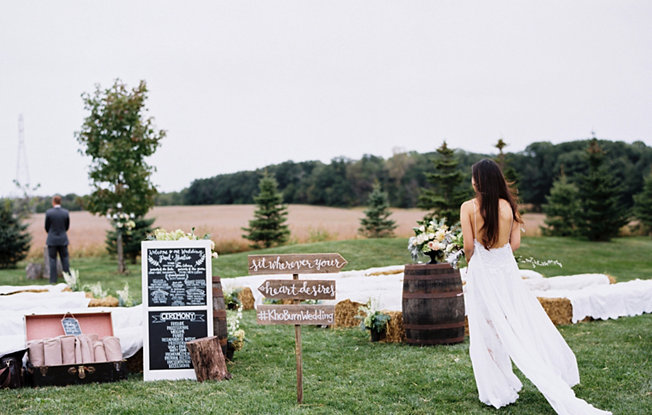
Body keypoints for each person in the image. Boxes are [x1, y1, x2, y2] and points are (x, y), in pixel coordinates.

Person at [459, 159, 610, 415]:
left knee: (486, 326)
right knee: (518, 320)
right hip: (506, 271)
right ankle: (550, 367)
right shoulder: (509, 207)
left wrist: (470, 262)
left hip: (483, 271)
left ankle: (497, 387)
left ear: (479, 180)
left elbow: (469, 246)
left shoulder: (468, 207)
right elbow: (514, 245)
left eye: (473, 177)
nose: (472, 181)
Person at [45, 195, 70, 284]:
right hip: (63, 239)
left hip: (52, 240)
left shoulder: (49, 213)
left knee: (52, 260)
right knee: (65, 259)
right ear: (60, 202)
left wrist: (51, 233)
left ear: (53, 202)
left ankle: (53, 280)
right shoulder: (65, 212)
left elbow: (46, 227)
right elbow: (67, 226)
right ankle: (68, 279)